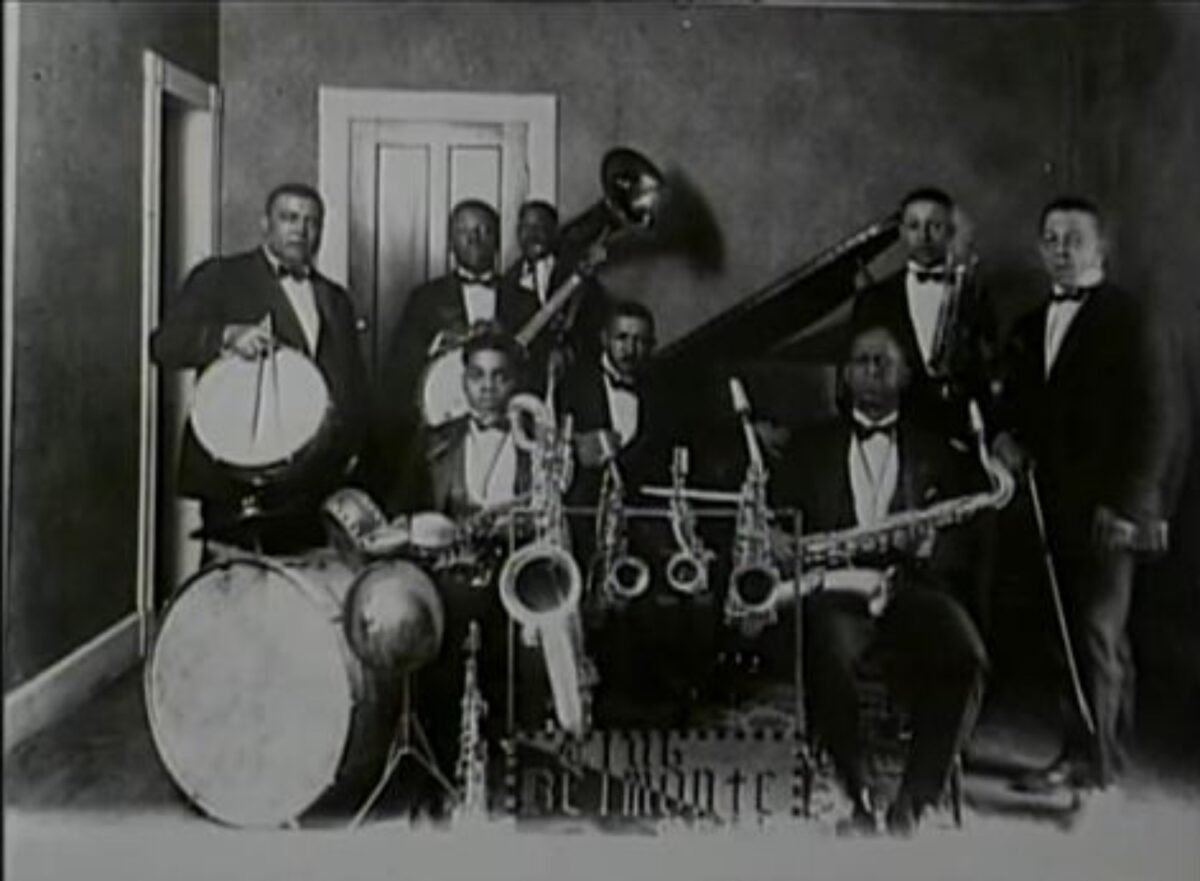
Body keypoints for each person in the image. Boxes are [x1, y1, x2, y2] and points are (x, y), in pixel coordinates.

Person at [774, 325, 990, 835]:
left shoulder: (942, 451)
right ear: (845, 375)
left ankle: (917, 800)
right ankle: (858, 789)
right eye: (861, 361)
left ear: (906, 375)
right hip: (835, 589)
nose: (871, 371)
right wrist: (779, 537)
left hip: (910, 587)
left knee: (967, 655)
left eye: (884, 362)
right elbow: (776, 518)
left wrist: (935, 546)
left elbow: (970, 535)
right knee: (829, 653)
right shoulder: (807, 446)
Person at [993, 196, 1172, 795]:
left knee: (1097, 635)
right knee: (1064, 635)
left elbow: (1159, 419)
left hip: (1108, 514)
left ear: (1101, 248)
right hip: (1053, 508)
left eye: (1074, 239)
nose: (1061, 250)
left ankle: (1101, 763)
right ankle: (1080, 752)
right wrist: (1005, 439)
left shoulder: (1129, 319)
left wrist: (1129, 508)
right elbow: (1017, 408)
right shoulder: (1028, 324)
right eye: (1051, 238)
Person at [150, 182, 368, 553]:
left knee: (301, 585)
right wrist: (224, 336)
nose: (300, 229)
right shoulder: (220, 277)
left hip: (312, 474)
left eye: (312, 222)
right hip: (238, 472)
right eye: (289, 218)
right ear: (264, 224)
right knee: (235, 584)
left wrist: (347, 448)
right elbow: (164, 345)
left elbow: (353, 382)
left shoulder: (335, 298)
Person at [379, 200, 538, 487]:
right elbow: (399, 370)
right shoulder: (424, 299)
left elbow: (539, 372)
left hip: (509, 433)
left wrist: (507, 344)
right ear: (451, 241)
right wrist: (440, 344)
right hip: (444, 431)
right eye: (463, 231)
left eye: (483, 230)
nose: (473, 238)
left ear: (498, 241)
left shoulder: (526, 302)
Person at [852, 187, 997, 443]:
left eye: (935, 226)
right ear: (901, 233)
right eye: (914, 226)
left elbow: (987, 372)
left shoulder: (971, 294)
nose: (924, 236)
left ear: (951, 231)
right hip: (899, 439)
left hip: (961, 438)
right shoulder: (874, 300)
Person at [391, 325, 531, 518]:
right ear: (463, 381)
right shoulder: (432, 443)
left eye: (500, 377)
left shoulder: (535, 444)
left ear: (516, 381)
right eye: (477, 375)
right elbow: (403, 515)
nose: (487, 386)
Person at [501, 199, 609, 391]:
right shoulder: (508, 280)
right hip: (524, 382)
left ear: (554, 231)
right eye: (526, 227)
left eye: (541, 227)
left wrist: (570, 352)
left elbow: (596, 322)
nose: (532, 234)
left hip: (572, 380)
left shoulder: (576, 271)